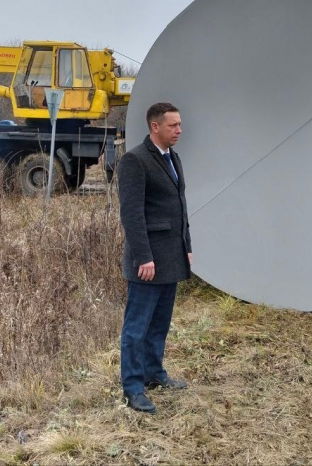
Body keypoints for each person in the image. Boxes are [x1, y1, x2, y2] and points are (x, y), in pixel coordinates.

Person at [118, 102, 193, 414]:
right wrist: (143, 257)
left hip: (171, 256)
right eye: (173, 125)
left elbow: (180, 206)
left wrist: (186, 245)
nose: (179, 130)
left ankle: (153, 373)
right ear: (155, 126)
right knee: (137, 328)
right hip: (148, 262)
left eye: (179, 124)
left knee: (159, 323)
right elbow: (132, 214)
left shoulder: (172, 157)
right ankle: (133, 388)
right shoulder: (135, 160)